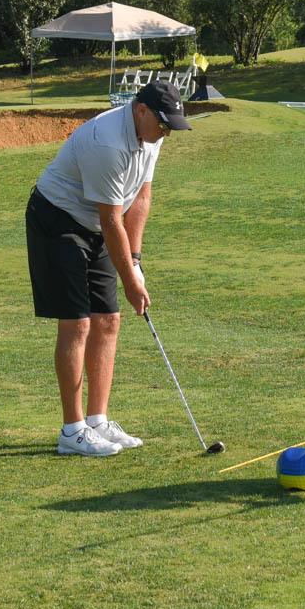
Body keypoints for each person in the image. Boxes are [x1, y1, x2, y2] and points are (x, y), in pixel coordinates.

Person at [26, 80, 192, 456]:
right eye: (163, 123)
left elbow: (142, 197)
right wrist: (132, 283)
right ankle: (73, 431)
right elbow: (111, 219)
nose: (166, 132)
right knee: (78, 322)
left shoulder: (153, 136)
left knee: (108, 320)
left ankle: (97, 421)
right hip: (57, 220)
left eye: (171, 126)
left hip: (97, 223)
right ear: (141, 110)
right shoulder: (108, 143)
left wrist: (134, 262)